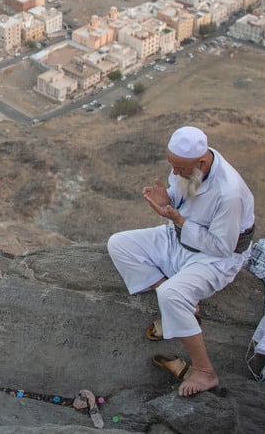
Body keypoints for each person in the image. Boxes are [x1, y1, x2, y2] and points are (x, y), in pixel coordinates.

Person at [106, 125, 255, 396]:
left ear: (201, 161)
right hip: (181, 237)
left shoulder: (228, 192)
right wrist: (168, 201)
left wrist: (178, 220)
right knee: (119, 244)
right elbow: (187, 196)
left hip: (214, 258)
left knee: (170, 294)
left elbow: (223, 247)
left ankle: (204, 371)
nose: (174, 172)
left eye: (179, 168)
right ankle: (186, 304)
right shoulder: (194, 167)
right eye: (171, 166)